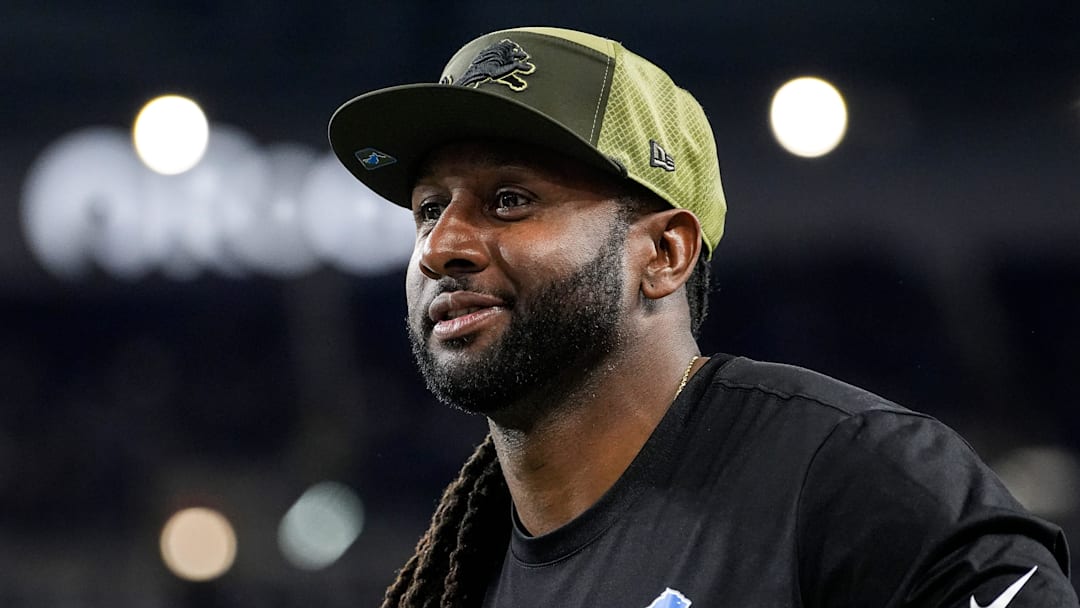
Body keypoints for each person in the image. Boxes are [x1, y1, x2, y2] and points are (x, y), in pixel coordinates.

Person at [328, 26, 1078, 608]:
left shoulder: (853, 477)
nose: (441, 247)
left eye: (509, 201)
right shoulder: (461, 571)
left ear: (664, 253)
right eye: (429, 210)